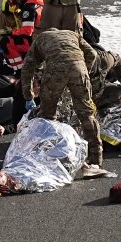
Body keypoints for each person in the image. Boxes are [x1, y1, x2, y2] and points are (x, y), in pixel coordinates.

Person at [22, 27, 104, 174]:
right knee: (86, 114)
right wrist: (84, 71)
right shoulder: (72, 34)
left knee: (48, 116)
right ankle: (96, 161)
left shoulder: (40, 38)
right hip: (79, 67)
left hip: (55, 69)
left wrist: (28, 96)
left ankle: (51, 157)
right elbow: (92, 53)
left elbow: (28, 67)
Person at [0, 0, 43, 74]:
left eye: (16, 3)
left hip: (37, 41)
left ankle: (20, 72)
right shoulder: (38, 1)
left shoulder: (28, 9)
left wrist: (13, 33)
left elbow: (27, 31)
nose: (17, 6)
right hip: (44, 37)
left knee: (7, 43)